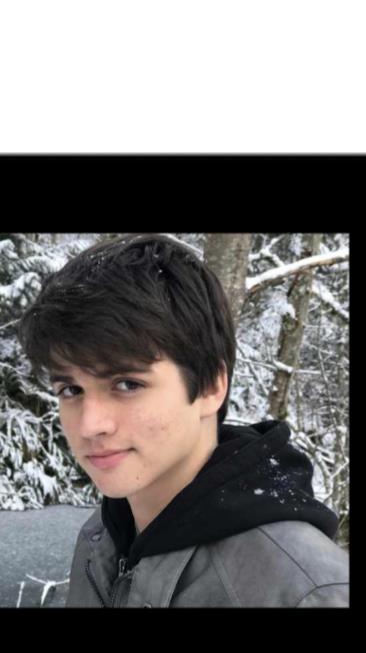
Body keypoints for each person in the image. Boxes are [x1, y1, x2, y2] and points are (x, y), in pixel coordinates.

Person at [17, 233, 349, 607]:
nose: (90, 425)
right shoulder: (102, 539)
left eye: (127, 384)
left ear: (210, 386)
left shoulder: (306, 591)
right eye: (71, 390)